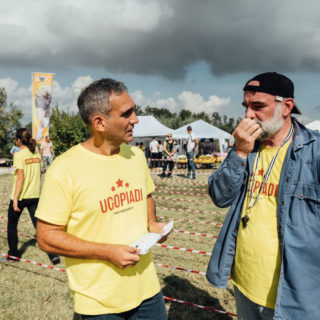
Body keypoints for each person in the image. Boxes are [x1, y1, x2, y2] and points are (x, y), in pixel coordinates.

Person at [35, 78, 168, 319]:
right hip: (100, 302)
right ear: (100, 122)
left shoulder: (136, 156)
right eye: (127, 114)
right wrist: (107, 252)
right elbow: (46, 238)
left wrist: (152, 224)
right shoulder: (65, 169)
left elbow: (146, 196)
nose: (135, 119)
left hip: (148, 291)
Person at [206, 72, 320, 320]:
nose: (248, 115)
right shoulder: (247, 146)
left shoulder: (315, 151)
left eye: (258, 106)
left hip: (294, 295)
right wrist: (239, 153)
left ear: (286, 106)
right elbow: (219, 196)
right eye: (246, 106)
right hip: (244, 284)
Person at [4, 128, 60, 265]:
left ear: (18, 140)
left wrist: (15, 199)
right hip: (35, 196)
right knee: (39, 226)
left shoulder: (19, 155)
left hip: (22, 196)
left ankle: (13, 255)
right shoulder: (36, 154)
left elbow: (20, 178)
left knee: (12, 225)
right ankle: (53, 254)